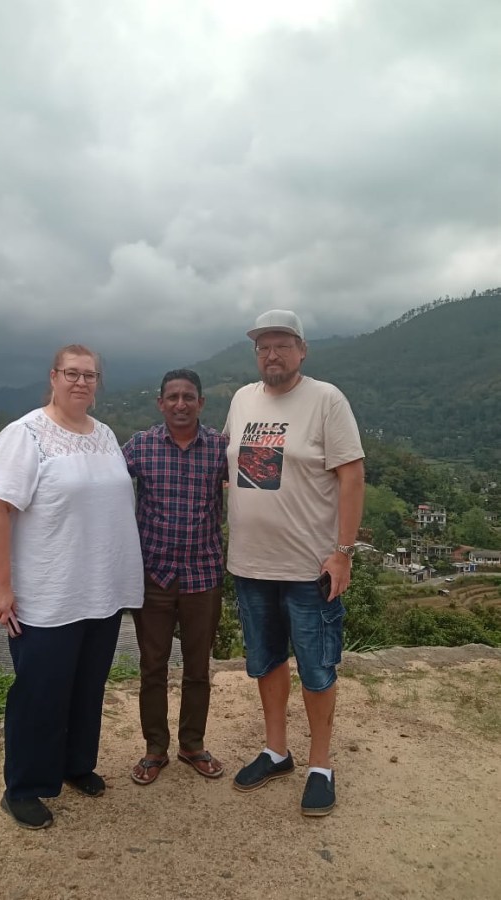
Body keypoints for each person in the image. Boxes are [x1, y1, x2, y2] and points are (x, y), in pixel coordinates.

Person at [0, 344, 144, 829]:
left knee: (87, 686)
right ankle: (24, 787)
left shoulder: (105, 434)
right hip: (46, 593)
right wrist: (1, 586)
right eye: (71, 373)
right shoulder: (25, 434)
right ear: (53, 377)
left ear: (98, 383)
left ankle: (76, 764)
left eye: (89, 375)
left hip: (99, 588)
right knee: (41, 692)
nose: (80, 382)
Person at [224, 310, 365, 816]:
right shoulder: (242, 399)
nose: (272, 354)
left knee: (317, 669)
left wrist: (342, 554)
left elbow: (352, 476)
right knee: (266, 662)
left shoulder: (326, 399)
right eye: (263, 346)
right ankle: (276, 751)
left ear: (302, 350)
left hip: (310, 568)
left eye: (282, 345)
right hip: (251, 564)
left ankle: (320, 765)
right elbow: (236, 471)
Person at [122, 369, 228, 785]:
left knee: (198, 666)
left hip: (203, 573)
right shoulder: (140, 447)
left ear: (201, 402)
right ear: (160, 403)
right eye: (172, 397)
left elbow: (258, 486)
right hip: (154, 575)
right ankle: (155, 749)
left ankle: (192, 744)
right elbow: (102, 485)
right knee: (153, 666)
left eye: (188, 397)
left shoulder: (220, 448)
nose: (180, 404)